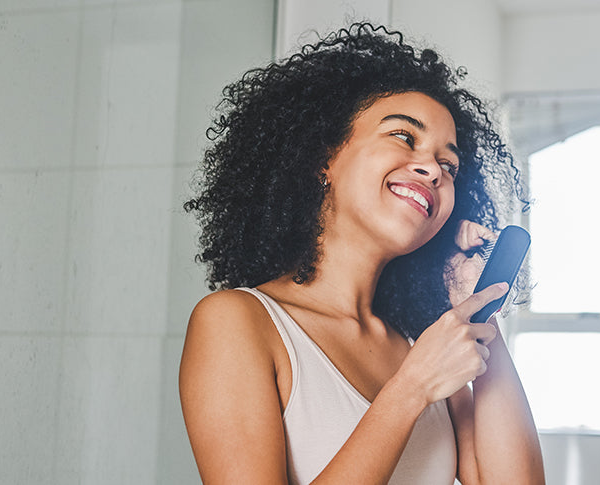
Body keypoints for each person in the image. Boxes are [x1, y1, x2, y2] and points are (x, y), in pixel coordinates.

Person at [179, 23, 545, 484]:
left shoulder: (423, 340)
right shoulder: (238, 322)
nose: (432, 168)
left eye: (448, 164)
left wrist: (479, 310)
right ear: (322, 158)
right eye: (404, 137)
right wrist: (411, 388)